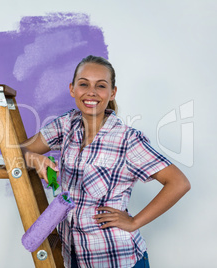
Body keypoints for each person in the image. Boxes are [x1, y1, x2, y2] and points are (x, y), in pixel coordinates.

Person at [20, 55, 191, 267]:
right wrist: (34, 158)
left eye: (100, 86)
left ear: (112, 93)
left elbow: (179, 182)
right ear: (72, 89)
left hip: (115, 257)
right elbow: (20, 150)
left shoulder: (127, 139)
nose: (91, 92)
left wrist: (134, 221)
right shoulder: (67, 123)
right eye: (84, 84)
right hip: (73, 254)